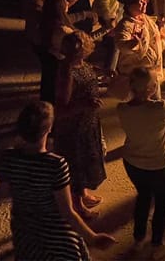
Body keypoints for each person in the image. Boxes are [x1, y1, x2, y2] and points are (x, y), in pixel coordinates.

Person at [0, 101, 116, 260]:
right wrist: (92, 237)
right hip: (56, 236)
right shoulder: (55, 164)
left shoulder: (7, 158)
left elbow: (4, 192)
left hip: (25, 232)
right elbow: (67, 212)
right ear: (49, 129)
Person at [117, 68, 165, 256]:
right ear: (152, 89)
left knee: (143, 196)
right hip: (157, 165)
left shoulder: (121, 109)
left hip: (132, 163)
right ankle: (156, 244)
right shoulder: (161, 108)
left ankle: (138, 239)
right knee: (162, 201)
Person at [53, 31, 107, 219]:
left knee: (85, 163)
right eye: (73, 46)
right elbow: (61, 108)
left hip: (87, 123)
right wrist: (84, 104)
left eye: (80, 44)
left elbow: (88, 74)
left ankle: (82, 194)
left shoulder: (82, 64)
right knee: (76, 165)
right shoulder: (66, 71)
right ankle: (77, 207)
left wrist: (102, 72)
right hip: (73, 128)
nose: (78, 49)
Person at [114, 0, 165, 98]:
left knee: (155, 103)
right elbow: (122, 44)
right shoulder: (125, 25)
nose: (145, 3)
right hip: (139, 76)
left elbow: (156, 38)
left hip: (153, 71)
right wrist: (132, 43)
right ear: (130, 5)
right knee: (143, 104)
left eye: (145, 0)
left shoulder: (146, 19)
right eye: (141, 2)